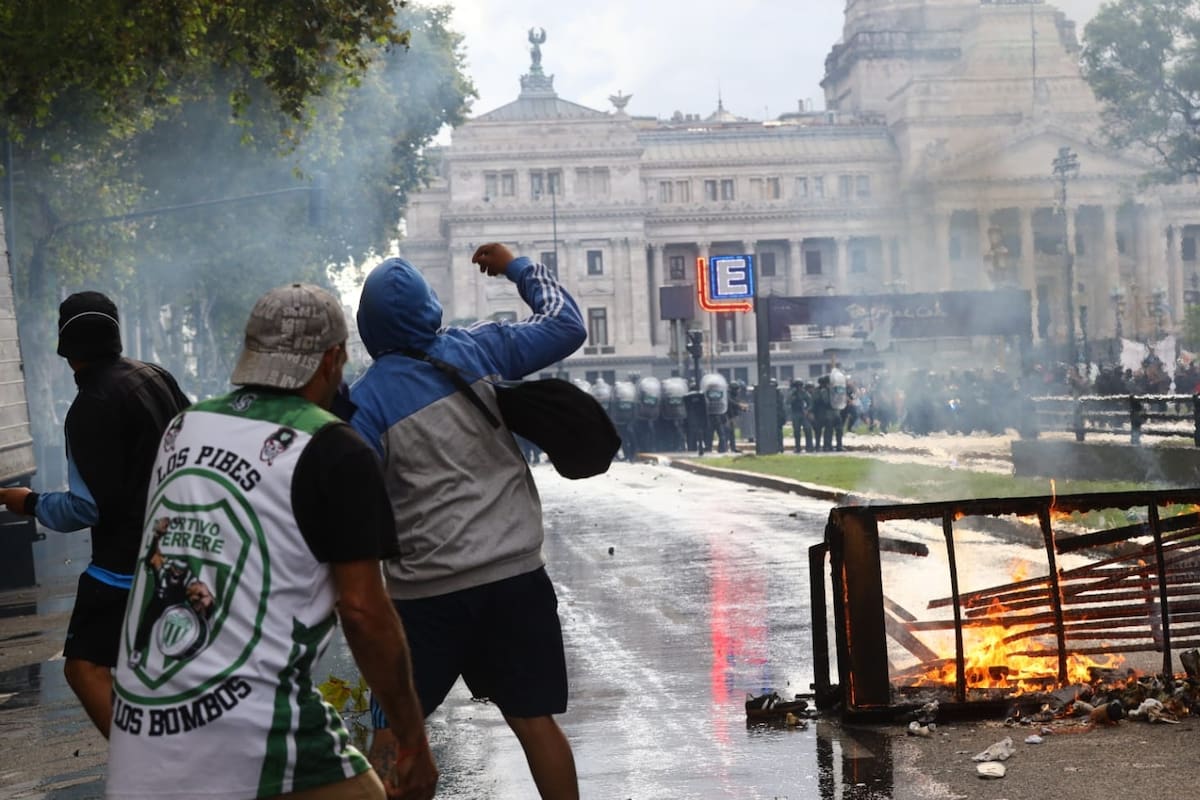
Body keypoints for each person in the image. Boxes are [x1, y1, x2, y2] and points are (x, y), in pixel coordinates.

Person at [105, 284, 437, 800]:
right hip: (250, 732)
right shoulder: (333, 448)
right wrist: (412, 740)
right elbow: (364, 611)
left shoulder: (182, 429)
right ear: (332, 359)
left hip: (141, 732)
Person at [349, 243, 586, 800]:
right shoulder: (481, 348)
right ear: (430, 308)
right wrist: (515, 266)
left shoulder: (364, 403)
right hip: (515, 579)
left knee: (392, 728)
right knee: (533, 721)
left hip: (425, 597)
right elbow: (566, 324)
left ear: (368, 327)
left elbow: (356, 501)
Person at [0, 291, 189, 738]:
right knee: (165, 668)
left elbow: (85, 507)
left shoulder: (90, 408)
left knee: (84, 668)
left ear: (66, 348)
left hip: (126, 563)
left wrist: (28, 502)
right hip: (184, 545)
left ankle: (141, 766)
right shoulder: (155, 375)